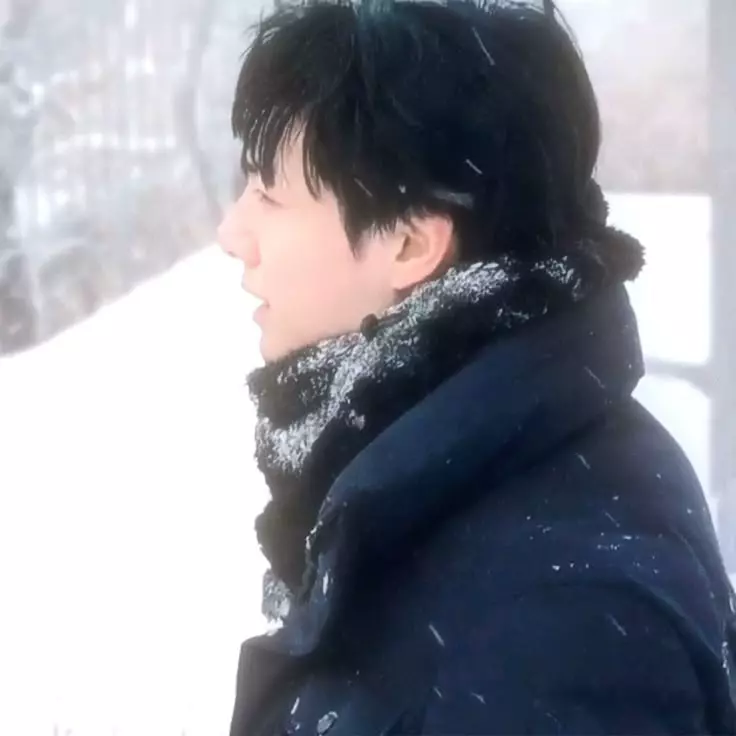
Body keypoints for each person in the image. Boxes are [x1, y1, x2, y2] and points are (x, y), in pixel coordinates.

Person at [217, 0, 736, 733]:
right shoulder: (470, 461)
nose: (232, 233)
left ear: (410, 244)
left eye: (270, 195)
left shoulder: (560, 631)